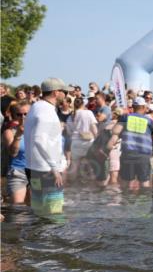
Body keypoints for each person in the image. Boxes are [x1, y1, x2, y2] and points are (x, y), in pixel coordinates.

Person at [23, 77, 71, 219]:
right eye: (65, 92)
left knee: (39, 211)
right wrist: (54, 168)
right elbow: (39, 139)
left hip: (35, 167)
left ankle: (38, 239)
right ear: (56, 93)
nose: (66, 96)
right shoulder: (47, 111)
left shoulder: (36, 107)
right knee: (54, 212)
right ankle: (53, 241)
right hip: (47, 170)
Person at [107, 98, 153, 190]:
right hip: (143, 155)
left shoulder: (125, 117)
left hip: (128, 154)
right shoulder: (149, 121)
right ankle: (143, 201)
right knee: (144, 182)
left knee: (126, 182)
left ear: (133, 107)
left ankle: (127, 202)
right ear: (143, 107)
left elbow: (115, 132)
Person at [3, 101, 31, 205]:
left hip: (36, 171)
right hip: (18, 171)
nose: (23, 117)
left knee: (35, 208)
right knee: (18, 208)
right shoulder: (9, 132)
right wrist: (18, 135)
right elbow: (13, 153)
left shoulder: (38, 130)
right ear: (15, 115)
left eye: (26, 114)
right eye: (19, 114)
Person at [67, 96, 98, 182]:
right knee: (91, 166)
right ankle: (92, 189)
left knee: (74, 166)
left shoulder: (71, 116)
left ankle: (72, 188)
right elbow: (94, 129)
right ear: (84, 104)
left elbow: (69, 132)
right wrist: (97, 139)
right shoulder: (88, 113)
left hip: (75, 142)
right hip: (88, 142)